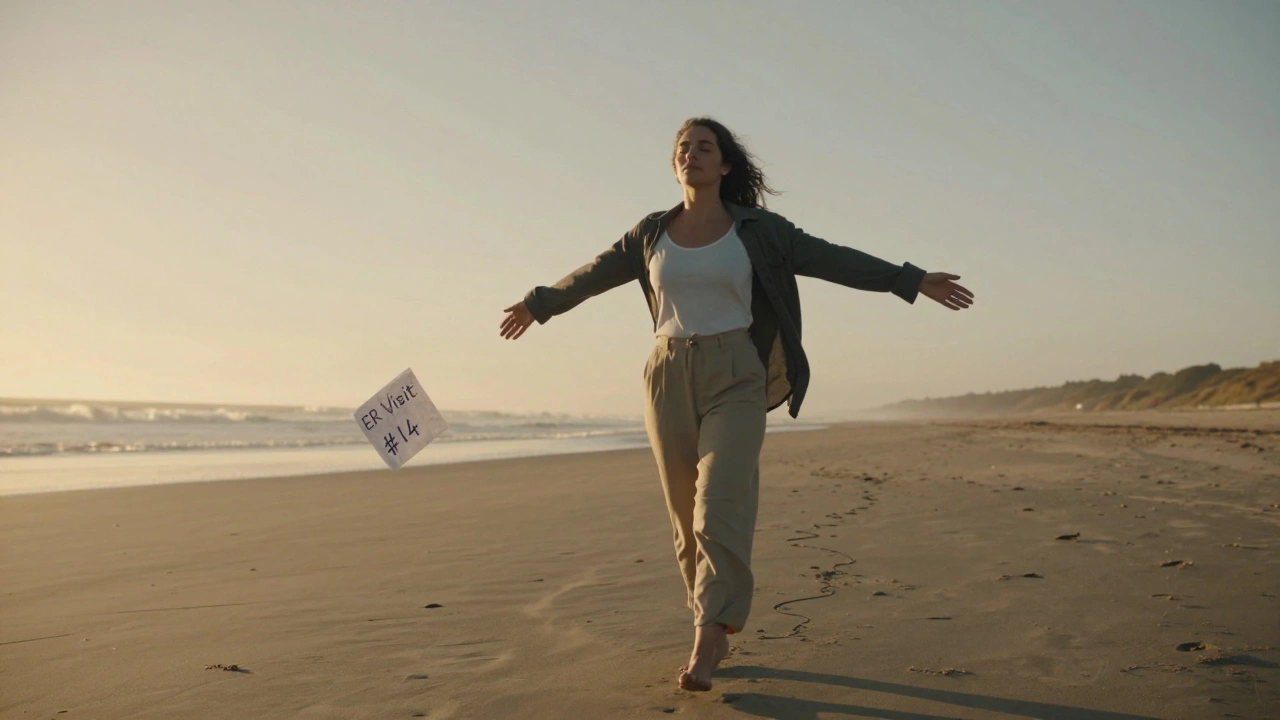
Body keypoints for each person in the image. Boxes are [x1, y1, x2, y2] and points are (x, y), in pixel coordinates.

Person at [499, 117, 974, 692]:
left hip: (738, 372)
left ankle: (707, 634)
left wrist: (910, 279)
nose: (692, 154)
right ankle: (714, 618)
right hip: (667, 372)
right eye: (683, 148)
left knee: (718, 498)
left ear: (725, 164)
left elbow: (833, 258)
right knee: (682, 512)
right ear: (674, 164)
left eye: (704, 147)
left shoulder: (762, 231)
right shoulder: (650, 233)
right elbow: (596, 274)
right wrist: (537, 304)